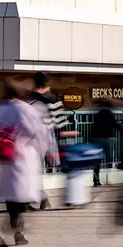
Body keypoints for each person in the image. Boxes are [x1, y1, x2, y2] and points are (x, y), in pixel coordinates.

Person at [0, 79, 59, 247]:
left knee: (11, 199)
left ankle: (13, 232)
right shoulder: (24, 109)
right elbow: (35, 131)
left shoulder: (0, 108)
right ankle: (12, 232)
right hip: (22, 156)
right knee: (20, 198)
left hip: (6, 157)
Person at [32, 71, 73, 207]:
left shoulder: (28, 98)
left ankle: (35, 197)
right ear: (48, 83)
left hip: (26, 138)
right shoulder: (52, 99)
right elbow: (60, 123)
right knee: (37, 170)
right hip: (44, 138)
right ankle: (42, 198)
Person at [92, 99, 123, 187]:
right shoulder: (108, 113)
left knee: (97, 161)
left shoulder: (98, 113)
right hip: (104, 138)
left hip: (95, 138)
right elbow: (115, 124)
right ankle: (107, 176)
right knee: (109, 158)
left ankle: (96, 181)